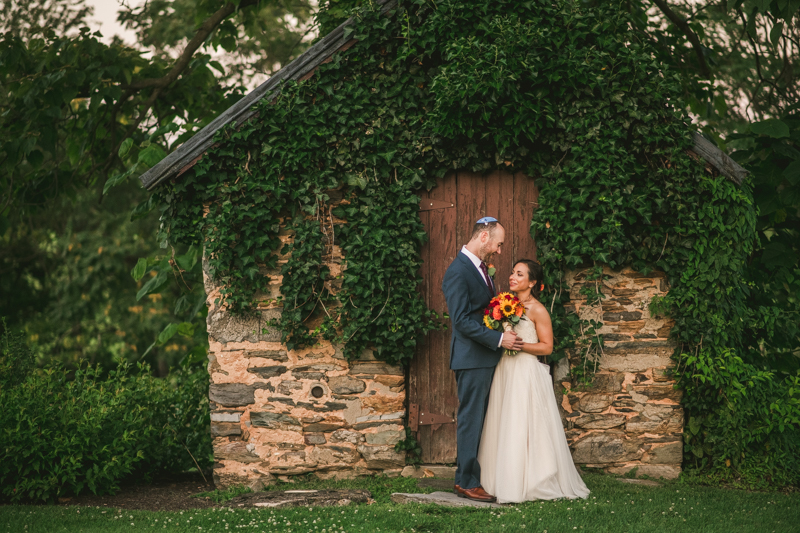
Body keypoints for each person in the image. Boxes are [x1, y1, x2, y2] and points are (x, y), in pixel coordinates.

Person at [478, 259, 590, 503]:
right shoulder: (505, 303)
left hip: (525, 371)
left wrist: (519, 345)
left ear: (532, 282)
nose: (512, 276)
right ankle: (498, 479)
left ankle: (529, 480)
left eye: (519, 274)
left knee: (522, 423)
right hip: (505, 368)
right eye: (512, 272)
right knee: (503, 420)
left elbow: (547, 346)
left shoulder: (538, 310)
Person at [441, 217, 524, 503]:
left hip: (483, 357)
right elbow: (462, 321)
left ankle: (470, 477)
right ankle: (465, 481)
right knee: (471, 419)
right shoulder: (458, 271)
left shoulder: (479, 269)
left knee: (480, 419)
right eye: (498, 244)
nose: (500, 251)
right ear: (484, 238)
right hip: (472, 358)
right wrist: (500, 339)